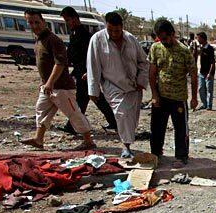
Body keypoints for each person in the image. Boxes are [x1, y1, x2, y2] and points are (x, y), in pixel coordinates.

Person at [21, 9, 94, 150]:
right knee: (41, 110)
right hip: (48, 86)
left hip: (62, 87)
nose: (34, 25)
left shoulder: (53, 40)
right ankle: (38, 139)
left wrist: (50, 82)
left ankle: (88, 141)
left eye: (37, 22)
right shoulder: (39, 40)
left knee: (74, 113)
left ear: (43, 22)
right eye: (30, 22)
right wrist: (45, 83)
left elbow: (60, 63)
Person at [87, 11, 149, 158]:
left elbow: (144, 62)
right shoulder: (97, 40)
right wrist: (93, 90)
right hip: (112, 86)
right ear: (106, 26)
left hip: (133, 86)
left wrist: (141, 81)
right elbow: (93, 66)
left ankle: (127, 141)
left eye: (117, 30)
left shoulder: (130, 39)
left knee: (132, 117)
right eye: (111, 30)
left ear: (122, 27)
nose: (114, 34)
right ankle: (126, 147)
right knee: (122, 114)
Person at [60, 6, 117, 134]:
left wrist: (89, 72)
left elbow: (91, 56)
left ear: (74, 19)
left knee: (88, 99)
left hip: (86, 73)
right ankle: (113, 122)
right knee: (90, 99)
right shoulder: (74, 34)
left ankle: (73, 126)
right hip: (81, 72)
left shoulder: (84, 35)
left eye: (68, 20)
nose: (67, 23)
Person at [148, 20, 198, 164]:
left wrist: (194, 98)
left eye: (165, 38)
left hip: (179, 98)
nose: (163, 41)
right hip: (161, 97)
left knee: (181, 129)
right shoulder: (155, 48)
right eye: (160, 38)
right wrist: (154, 95)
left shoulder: (184, 51)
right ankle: (156, 154)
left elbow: (193, 75)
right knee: (157, 128)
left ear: (172, 34)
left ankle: (181, 156)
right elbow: (151, 73)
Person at [196, 32, 215, 110]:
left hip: (208, 73)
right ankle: (204, 104)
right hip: (201, 72)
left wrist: (210, 73)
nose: (197, 39)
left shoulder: (209, 48)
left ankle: (209, 106)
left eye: (198, 38)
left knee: (209, 90)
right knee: (201, 89)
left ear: (203, 38)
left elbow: (212, 63)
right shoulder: (201, 48)